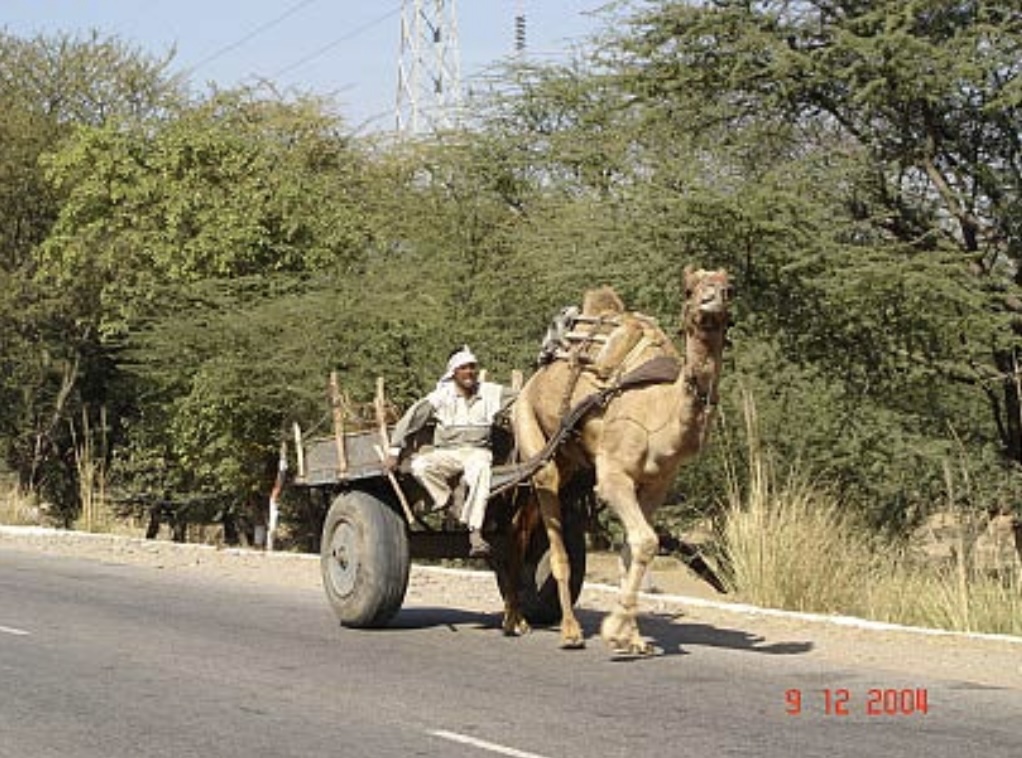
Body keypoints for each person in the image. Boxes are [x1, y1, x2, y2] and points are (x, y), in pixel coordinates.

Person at [385, 345, 517, 557]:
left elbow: (523, 396)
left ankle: (475, 531)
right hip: (448, 452)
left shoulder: (490, 392)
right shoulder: (441, 396)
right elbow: (412, 418)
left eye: (472, 367)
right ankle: (446, 500)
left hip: (477, 451)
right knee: (420, 465)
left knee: (481, 473)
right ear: (454, 373)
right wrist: (394, 451)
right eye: (463, 368)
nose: (469, 372)